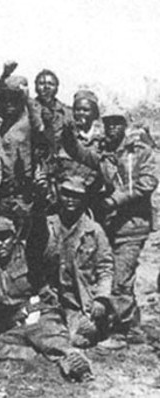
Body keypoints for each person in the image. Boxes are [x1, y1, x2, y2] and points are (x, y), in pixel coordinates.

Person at [62, 110, 158, 343]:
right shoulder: (104, 155)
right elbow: (80, 153)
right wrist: (67, 136)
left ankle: (124, 332)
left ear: (124, 126)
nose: (112, 128)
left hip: (133, 225)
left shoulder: (140, 152)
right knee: (112, 273)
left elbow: (148, 182)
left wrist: (116, 200)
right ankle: (128, 323)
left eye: (117, 123)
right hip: (111, 226)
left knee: (120, 278)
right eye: (108, 124)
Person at [0, 216, 93, 382]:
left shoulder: (30, 254)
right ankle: (40, 354)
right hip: (17, 324)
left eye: (4, 237)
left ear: (14, 237)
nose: (0, 243)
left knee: (46, 334)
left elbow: (40, 234)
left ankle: (74, 359)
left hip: (40, 314)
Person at [34, 176, 115, 348]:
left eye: (76, 196)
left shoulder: (94, 231)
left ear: (84, 199)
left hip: (80, 301)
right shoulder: (48, 224)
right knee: (40, 332)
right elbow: (34, 259)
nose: (70, 200)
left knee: (79, 336)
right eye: (66, 194)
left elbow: (106, 268)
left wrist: (101, 298)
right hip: (53, 297)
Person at [0, 61, 43, 237]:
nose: (8, 103)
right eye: (5, 99)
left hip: (24, 192)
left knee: (25, 236)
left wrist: (27, 97)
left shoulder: (29, 121)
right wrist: (4, 75)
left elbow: (39, 128)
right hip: (3, 191)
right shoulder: (1, 123)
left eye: (14, 99)